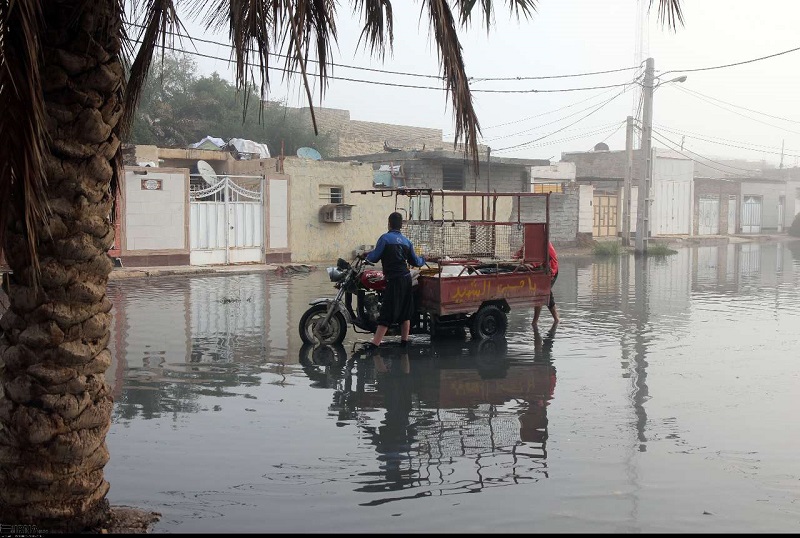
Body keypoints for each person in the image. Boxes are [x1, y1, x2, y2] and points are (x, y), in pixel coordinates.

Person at [360, 211, 425, 349]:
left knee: (387, 312)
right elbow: (416, 261)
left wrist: (366, 257)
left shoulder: (385, 238)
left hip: (394, 280)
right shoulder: (407, 242)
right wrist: (424, 259)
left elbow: (374, 257)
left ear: (389, 224)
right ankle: (404, 342)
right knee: (405, 312)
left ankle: (374, 344)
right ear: (401, 225)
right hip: (406, 279)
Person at [533, 241, 560, 325]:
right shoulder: (531, 242)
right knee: (544, 294)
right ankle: (556, 319)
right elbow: (521, 253)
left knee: (542, 293)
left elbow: (536, 262)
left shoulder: (545, 244)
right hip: (541, 271)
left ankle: (535, 322)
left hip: (551, 272)